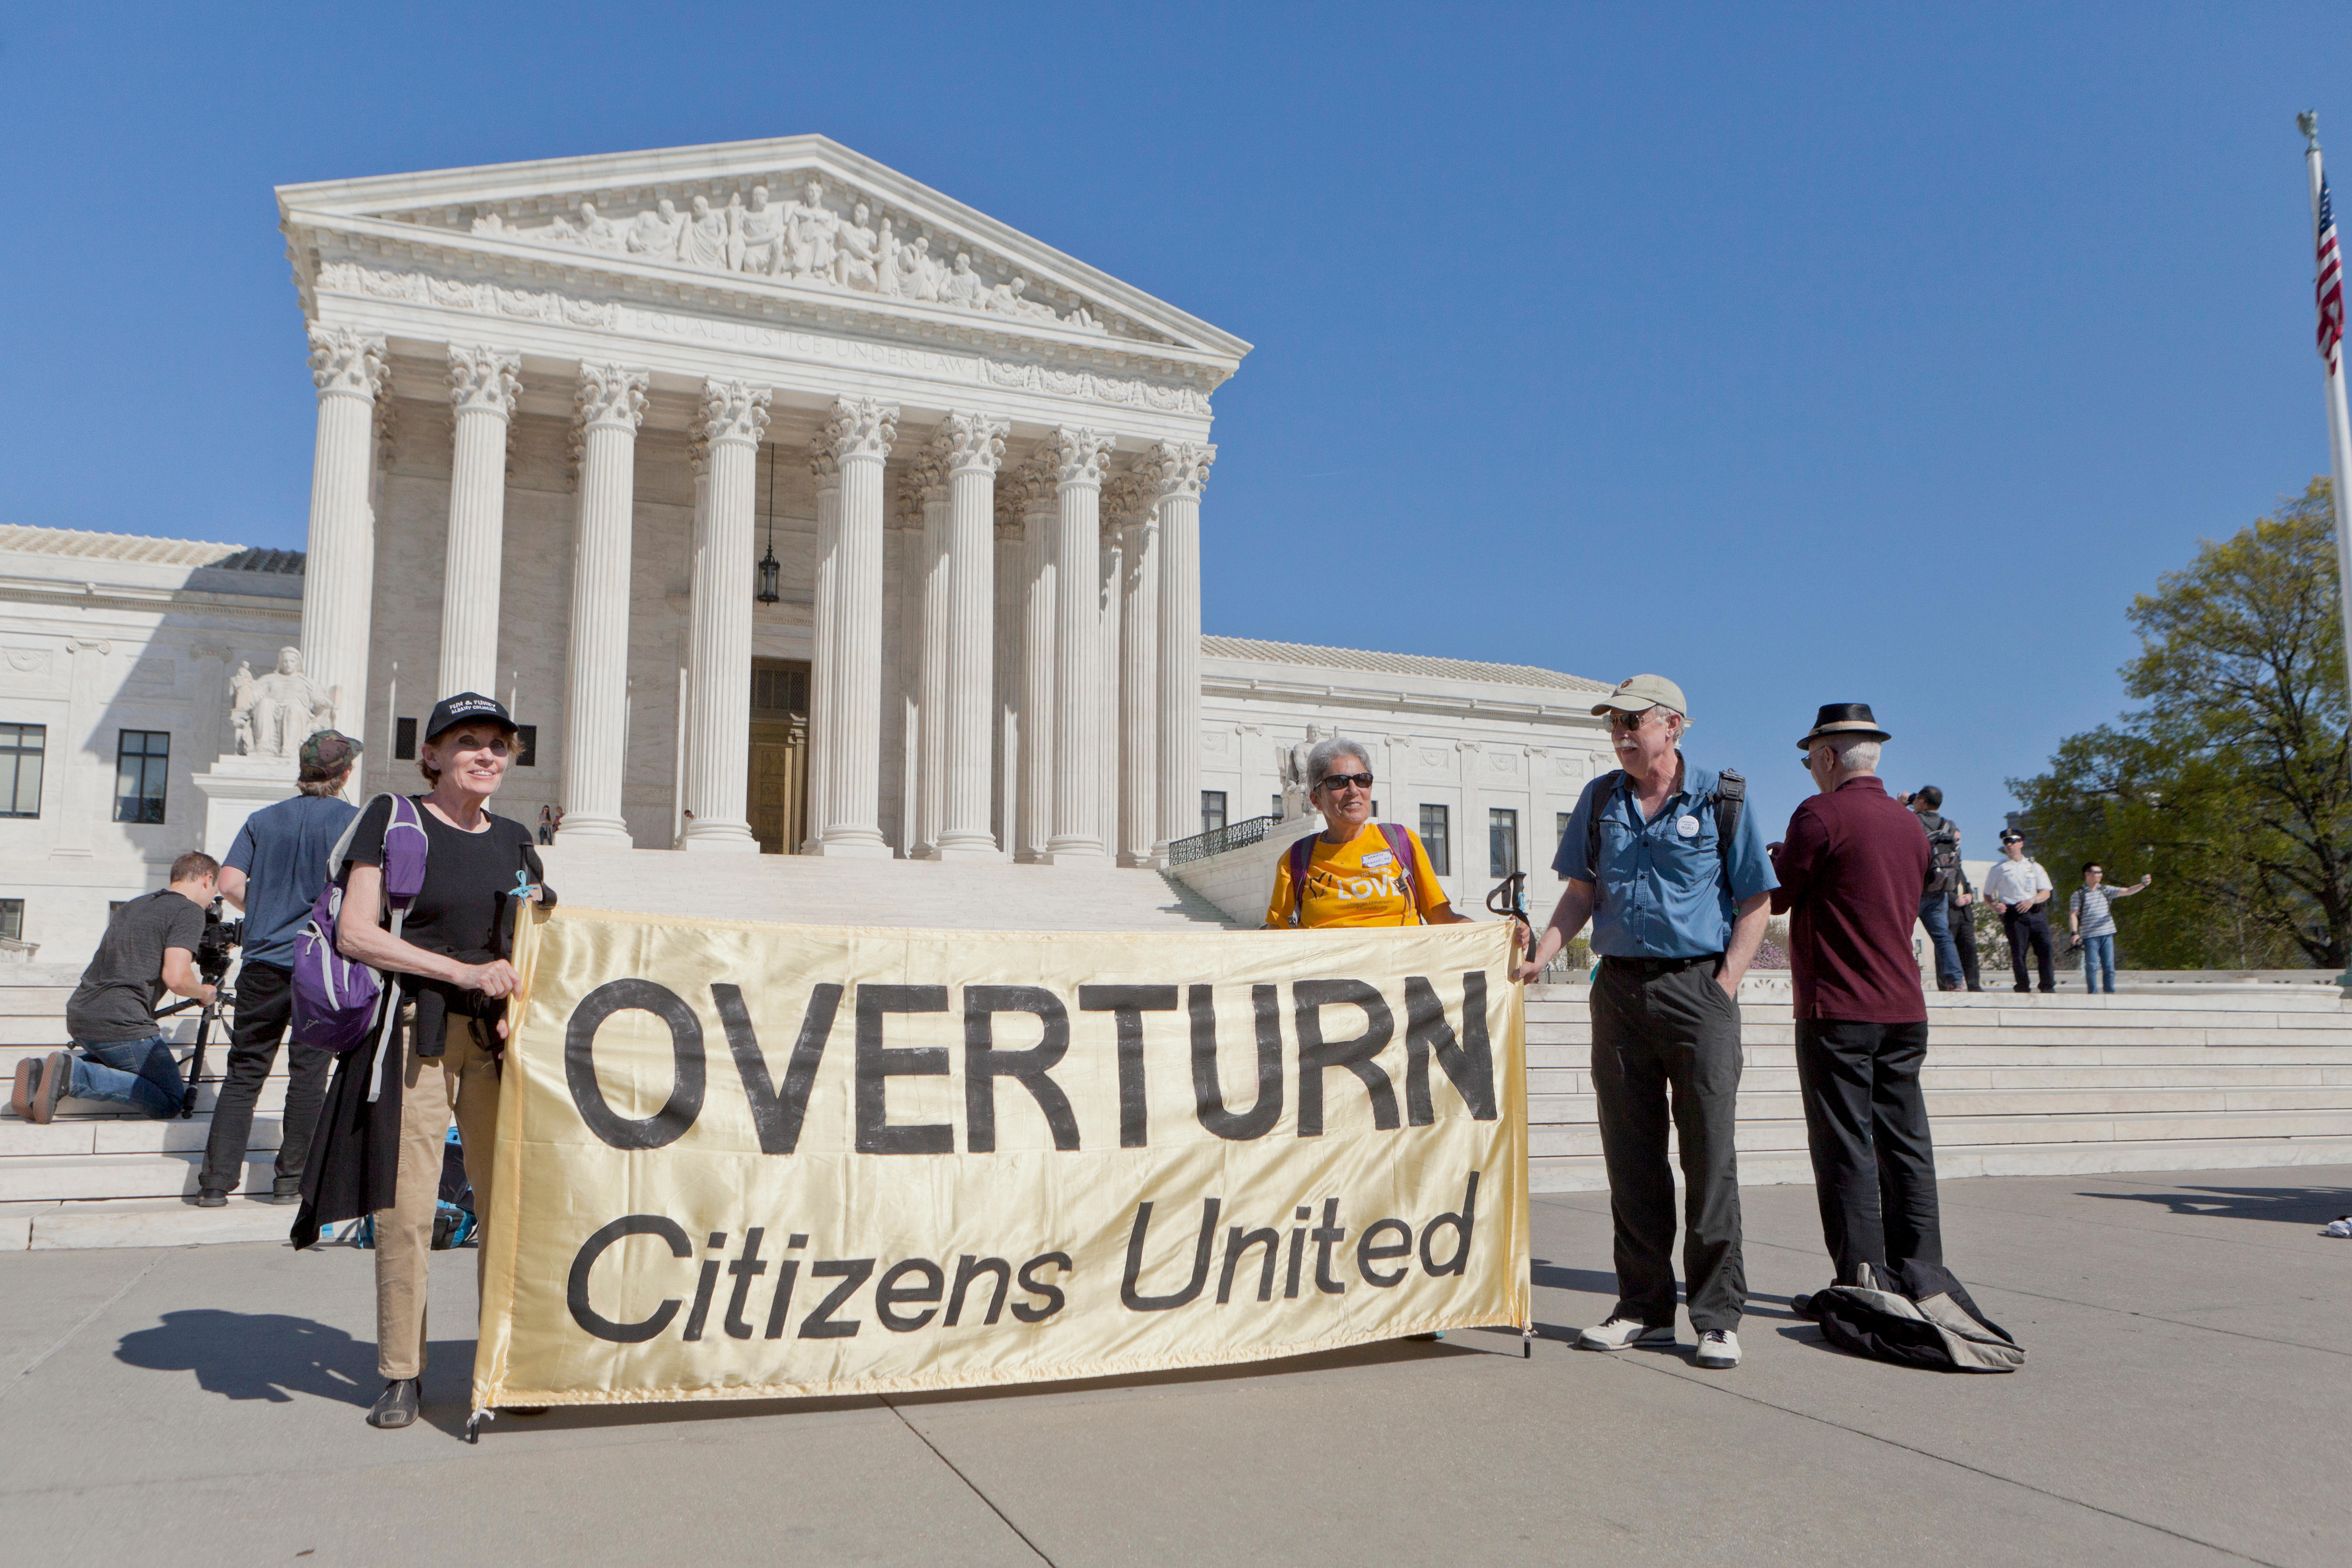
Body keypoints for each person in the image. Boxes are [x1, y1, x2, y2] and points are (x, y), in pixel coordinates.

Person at [293, 693, 551, 1431]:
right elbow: (355, 933)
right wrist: (463, 973)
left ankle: (506, 1362)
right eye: (467, 741)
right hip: (418, 1034)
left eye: (499, 744)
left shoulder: (514, 840)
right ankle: (402, 1373)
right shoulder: (392, 818)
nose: (486, 755)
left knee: (509, 1208)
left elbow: (532, 941)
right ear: (431, 755)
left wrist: (511, 987)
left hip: (495, 1043)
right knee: (407, 1208)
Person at [1514, 674, 1776, 1371]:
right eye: (1614, 724)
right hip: (1619, 991)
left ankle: (1717, 1317)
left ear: (1675, 727)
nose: (1622, 735)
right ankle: (1642, 1307)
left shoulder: (1722, 799)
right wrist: (1542, 953)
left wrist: (1723, 986)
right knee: (1630, 1158)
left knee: (1708, 1158)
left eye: (1635, 722)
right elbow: (1580, 893)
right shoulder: (1600, 799)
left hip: (1697, 990)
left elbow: (1756, 901)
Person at [1766, 704, 1946, 1308]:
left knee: (1845, 1145)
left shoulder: (1818, 814)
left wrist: (1771, 859)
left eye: (1808, 759)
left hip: (1839, 1007)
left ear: (1825, 756)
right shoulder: (1909, 824)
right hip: (1904, 1006)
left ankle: (1862, 1280)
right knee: (1905, 1144)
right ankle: (1923, 1275)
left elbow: (1779, 896)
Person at [195, 731, 361, 1207]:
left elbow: (228, 883)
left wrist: (264, 909)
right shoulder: (353, 822)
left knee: (245, 1071)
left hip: (263, 961)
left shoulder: (261, 820)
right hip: (320, 964)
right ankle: (291, 1182)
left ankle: (214, 1184)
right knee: (309, 1073)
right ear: (345, 773)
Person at [16, 853, 221, 1124]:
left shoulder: (134, 905)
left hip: (82, 1013)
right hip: (122, 1020)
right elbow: (176, 977)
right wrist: (204, 992)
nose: (210, 904)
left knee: (127, 1065)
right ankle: (72, 1075)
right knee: (171, 1099)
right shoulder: (188, 910)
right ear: (207, 880)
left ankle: (41, 1072)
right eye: (214, 893)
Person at [1263, 737, 1473, 930]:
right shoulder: (1296, 860)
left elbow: (1443, 920)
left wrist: (1504, 933)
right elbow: (1275, 932)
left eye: (1362, 780)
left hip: (1400, 969)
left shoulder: (1402, 841)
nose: (1354, 790)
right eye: (1338, 782)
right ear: (1316, 800)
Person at [1900, 786, 1965, 991]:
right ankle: (1956, 981)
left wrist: (1902, 805)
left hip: (1914, 891)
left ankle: (1907, 981)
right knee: (1943, 938)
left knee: (1902, 937)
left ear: (1921, 801)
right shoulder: (1949, 825)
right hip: (1939, 891)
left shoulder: (1912, 820)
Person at [1983, 830, 2056, 993]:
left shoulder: (2034, 866)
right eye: (2006, 842)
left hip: (2035, 912)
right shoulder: (1999, 869)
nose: (2009, 845)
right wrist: (1995, 905)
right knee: (2019, 954)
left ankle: (2047, 986)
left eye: (2013, 841)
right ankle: (2023, 987)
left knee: (2046, 948)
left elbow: (2046, 891)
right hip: (2014, 915)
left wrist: (2033, 900)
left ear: (2021, 843)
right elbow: (1987, 894)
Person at [2069, 862, 2152, 995]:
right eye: (2097, 872)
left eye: (2101, 872)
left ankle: (2110, 994)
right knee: (2092, 967)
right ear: (2088, 874)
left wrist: (2143, 885)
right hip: (2090, 936)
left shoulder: (2106, 890)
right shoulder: (2079, 894)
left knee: (2109, 967)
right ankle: (2093, 994)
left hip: (2107, 934)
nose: (2100, 875)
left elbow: (2128, 891)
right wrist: (2074, 933)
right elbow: (2073, 914)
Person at [1948, 844, 1984, 992]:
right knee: (1947, 951)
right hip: (1950, 916)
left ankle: (1974, 984)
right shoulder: (1940, 867)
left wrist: (1969, 895)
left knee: (1970, 950)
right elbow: (1939, 890)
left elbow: (1966, 886)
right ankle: (1948, 984)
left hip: (1965, 916)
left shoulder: (1959, 869)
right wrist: (1955, 899)